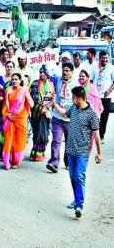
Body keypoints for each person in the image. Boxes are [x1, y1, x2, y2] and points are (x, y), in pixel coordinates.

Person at [52, 86, 102, 218]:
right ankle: (76, 199)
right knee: (73, 176)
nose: (72, 99)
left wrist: (99, 153)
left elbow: (96, 134)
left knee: (79, 176)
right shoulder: (73, 108)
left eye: (73, 97)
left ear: (80, 98)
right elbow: (64, 113)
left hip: (82, 151)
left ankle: (79, 204)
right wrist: (54, 104)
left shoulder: (92, 114)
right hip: (70, 150)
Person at [47, 63, 78, 173]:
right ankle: (54, 163)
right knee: (56, 141)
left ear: (72, 72)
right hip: (57, 117)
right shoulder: (57, 80)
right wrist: (45, 57)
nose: (65, 73)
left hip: (70, 119)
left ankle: (68, 162)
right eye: (63, 70)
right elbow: (47, 72)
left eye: (67, 71)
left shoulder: (76, 84)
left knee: (69, 142)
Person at [2, 73, 34, 170]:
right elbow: (4, 105)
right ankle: (8, 161)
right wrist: (8, 114)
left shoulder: (24, 90)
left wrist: (22, 110)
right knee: (9, 138)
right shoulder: (8, 90)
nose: (14, 81)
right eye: (13, 79)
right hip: (10, 117)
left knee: (18, 139)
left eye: (16, 79)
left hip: (20, 118)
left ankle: (16, 161)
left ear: (20, 80)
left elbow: (31, 103)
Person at [29, 65, 55, 161]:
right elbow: (30, 98)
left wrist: (46, 107)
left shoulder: (51, 84)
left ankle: (41, 153)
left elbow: (53, 98)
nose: (42, 74)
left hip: (47, 111)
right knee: (36, 132)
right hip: (36, 111)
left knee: (43, 132)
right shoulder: (34, 83)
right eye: (40, 72)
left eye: (44, 72)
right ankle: (34, 153)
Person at [91, 50, 114, 144]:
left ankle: (101, 135)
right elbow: (91, 81)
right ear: (99, 58)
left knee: (104, 117)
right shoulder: (94, 67)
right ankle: (93, 134)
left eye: (106, 58)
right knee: (95, 116)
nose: (105, 59)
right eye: (103, 58)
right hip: (96, 97)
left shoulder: (111, 68)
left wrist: (109, 91)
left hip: (106, 97)